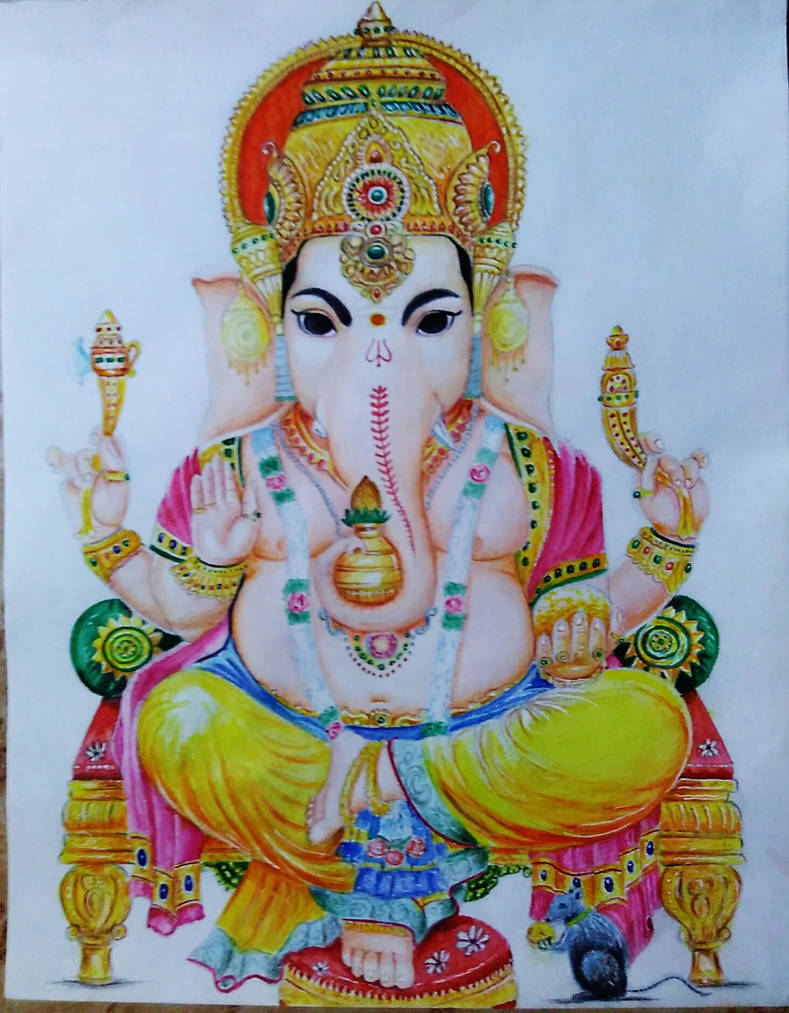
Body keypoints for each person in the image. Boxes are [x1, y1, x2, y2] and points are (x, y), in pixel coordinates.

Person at [50, 3, 707, 994]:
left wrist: (665, 543)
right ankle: (369, 857)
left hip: (477, 743)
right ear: (275, 331)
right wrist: (142, 543)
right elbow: (179, 609)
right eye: (325, 323)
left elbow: (588, 616)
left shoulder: (536, 467)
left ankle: (379, 801)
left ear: (481, 325)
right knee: (180, 721)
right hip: (294, 744)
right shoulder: (235, 468)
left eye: (427, 321)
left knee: (645, 719)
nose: (378, 358)